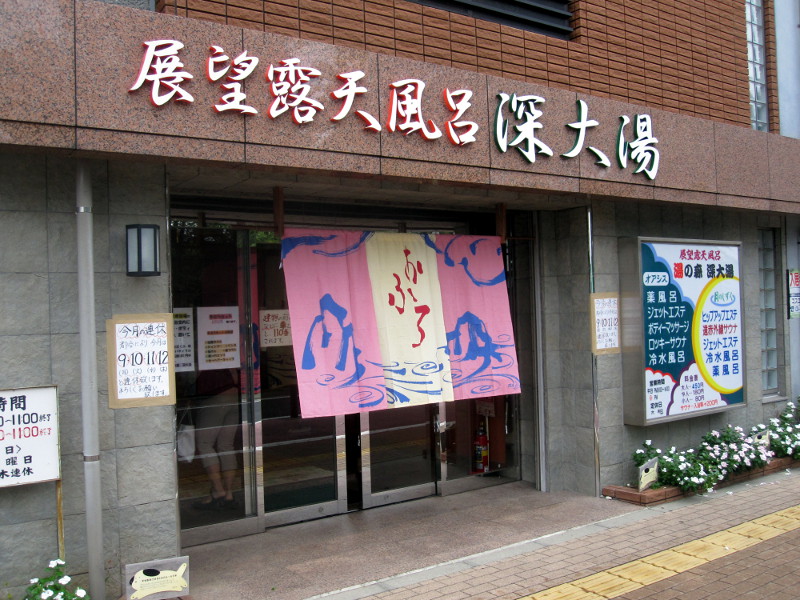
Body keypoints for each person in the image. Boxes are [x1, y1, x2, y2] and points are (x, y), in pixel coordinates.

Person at [192, 369, 240, 510]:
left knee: (205, 444)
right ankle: (228, 493)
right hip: (235, 395)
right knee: (226, 445)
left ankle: (218, 490)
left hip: (215, 395)